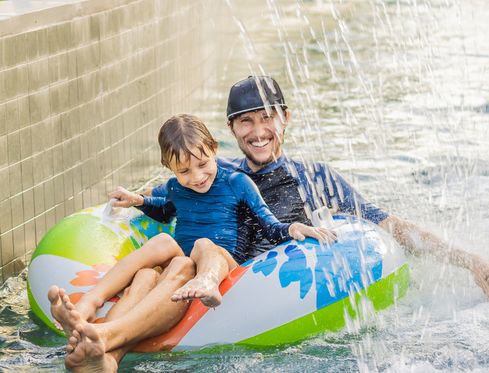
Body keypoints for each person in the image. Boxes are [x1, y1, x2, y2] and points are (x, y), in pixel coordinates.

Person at [57, 76, 489, 372]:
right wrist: (136, 202)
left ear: (285, 118)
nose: (259, 130)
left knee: (184, 265)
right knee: (157, 268)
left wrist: (465, 259)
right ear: (231, 129)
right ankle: (104, 348)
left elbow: (389, 224)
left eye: (268, 116)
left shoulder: (315, 179)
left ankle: (104, 340)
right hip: (196, 281)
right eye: (246, 121)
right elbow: (165, 203)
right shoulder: (213, 170)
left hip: (258, 297)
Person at [49, 114, 333, 341]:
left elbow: (269, 225)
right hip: (184, 266)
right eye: (184, 171)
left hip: (222, 265)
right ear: (167, 166)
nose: (197, 177)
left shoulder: (237, 183)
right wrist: (137, 200)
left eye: (203, 163)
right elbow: (162, 211)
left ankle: (207, 283)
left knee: (202, 245)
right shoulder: (176, 188)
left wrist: (294, 228)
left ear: (214, 149)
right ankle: (91, 313)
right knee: (149, 269)